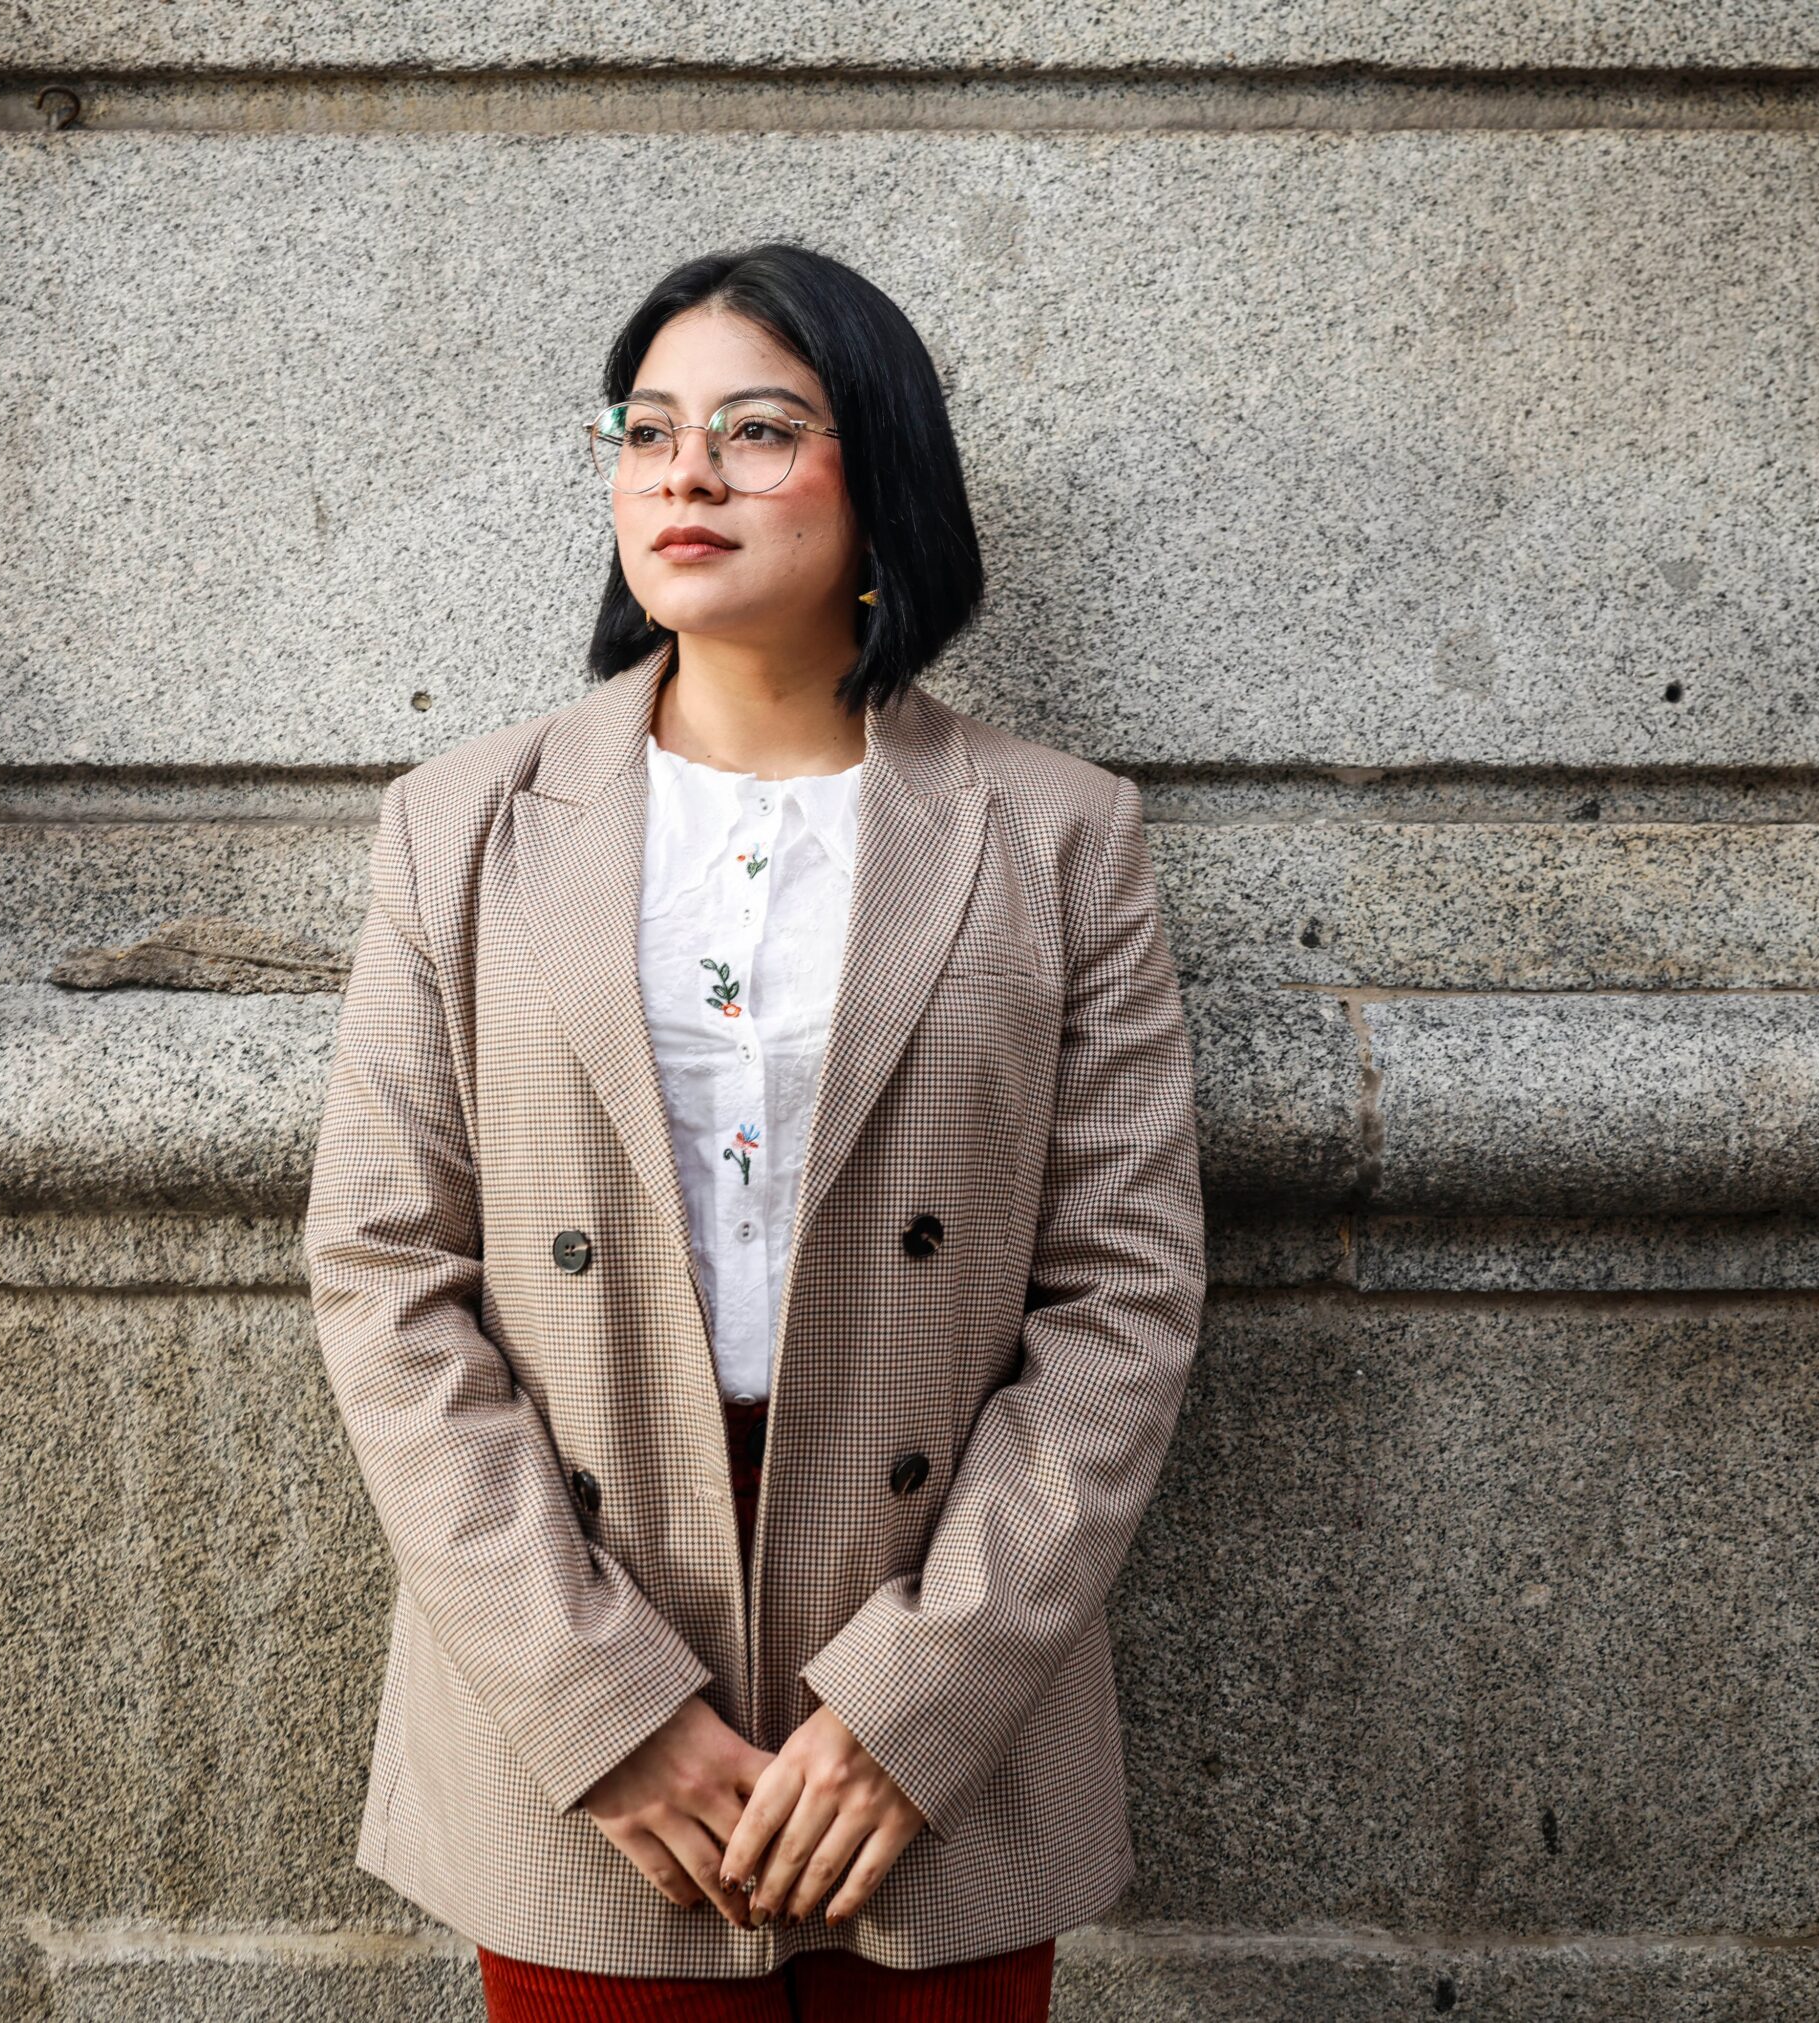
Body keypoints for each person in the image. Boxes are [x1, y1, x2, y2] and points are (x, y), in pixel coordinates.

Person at [303, 241, 1207, 2023]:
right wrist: (599, 1705)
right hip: (580, 1628)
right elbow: (383, 1271)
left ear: (882, 482)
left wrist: (918, 1704)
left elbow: (1125, 1296)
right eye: (646, 432)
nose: (684, 476)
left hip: (936, 1624)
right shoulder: (462, 824)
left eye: (757, 431)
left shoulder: (1055, 834)